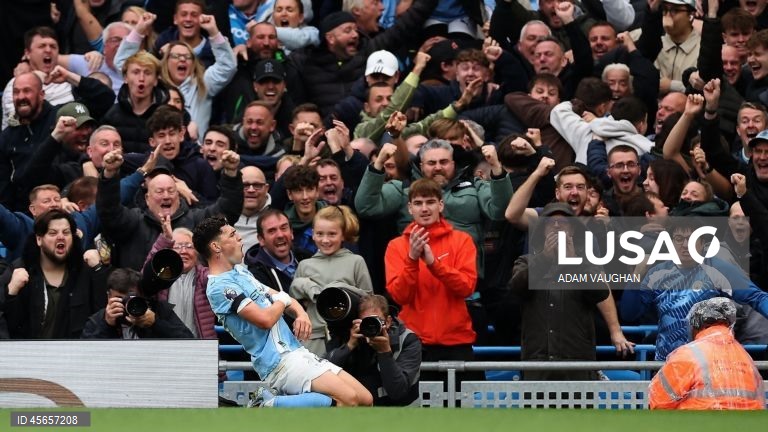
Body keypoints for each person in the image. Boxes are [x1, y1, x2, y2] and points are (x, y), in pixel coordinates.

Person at [193, 215, 373, 407]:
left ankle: (275, 403)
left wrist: (301, 314)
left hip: (296, 352)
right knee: (349, 400)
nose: (240, 238)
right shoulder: (219, 287)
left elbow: (284, 299)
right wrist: (283, 299)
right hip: (279, 363)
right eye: (232, 234)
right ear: (216, 247)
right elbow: (265, 319)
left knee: (365, 400)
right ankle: (269, 404)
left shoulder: (240, 272)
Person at [509, 202, 634, 380]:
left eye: (564, 223)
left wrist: (574, 261)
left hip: (578, 360)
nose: (557, 227)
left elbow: (600, 293)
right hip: (537, 359)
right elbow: (517, 287)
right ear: (542, 231)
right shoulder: (526, 261)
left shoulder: (588, 264)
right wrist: (544, 258)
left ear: (573, 231)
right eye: (551, 223)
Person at [384, 178, 477, 377]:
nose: (424, 208)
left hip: (456, 342)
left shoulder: (462, 240)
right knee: (415, 407)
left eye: (430, 202)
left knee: (464, 407)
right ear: (410, 208)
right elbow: (400, 296)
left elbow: (466, 287)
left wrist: (434, 264)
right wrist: (411, 259)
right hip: (413, 343)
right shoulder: (397, 246)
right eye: (418, 203)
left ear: (441, 205)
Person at [96, 148, 243, 270]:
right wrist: (109, 175)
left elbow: (227, 210)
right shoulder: (134, 221)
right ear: (147, 198)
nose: (166, 196)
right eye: (159, 192)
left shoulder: (197, 220)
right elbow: (109, 212)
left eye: (171, 191)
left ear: (179, 195)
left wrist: (231, 174)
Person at [4, 209, 107, 339]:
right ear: (39, 239)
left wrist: (99, 271)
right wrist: (11, 293)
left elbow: (102, 318)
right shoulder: (19, 270)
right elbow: (7, 324)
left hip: (74, 355)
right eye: (52, 233)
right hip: (27, 355)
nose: (61, 237)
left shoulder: (86, 272)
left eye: (66, 232)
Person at [649, 297, 766, 410]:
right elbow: (759, 403)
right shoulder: (745, 357)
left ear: (696, 325)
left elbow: (659, 401)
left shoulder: (687, 354)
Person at [290, 205, 373, 357]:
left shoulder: (356, 261)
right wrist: (303, 286)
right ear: (312, 234)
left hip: (348, 339)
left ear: (343, 235)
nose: (325, 240)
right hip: (313, 340)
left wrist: (339, 290)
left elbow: (369, 300)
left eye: (332, 234)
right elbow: (293, 306)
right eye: (320, 234)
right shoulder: (304, 265)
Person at [327, 294, 421, 406]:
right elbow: (323, 373)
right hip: (358, 410)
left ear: (388, 321)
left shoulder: (407, 339)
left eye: (377, 321)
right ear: (357, 323)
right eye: (366, 322)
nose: (372, 326)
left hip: (398, 412)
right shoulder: (349, 337)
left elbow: (398, 391)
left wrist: (385, 352)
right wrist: (349, 346)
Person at [81, 268, 194, 339]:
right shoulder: (97, 321)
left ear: (142, 296)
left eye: (131, 299)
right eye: (120, 299)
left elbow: (189, 342)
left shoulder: (158, 311)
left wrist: (156, 324)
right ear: (108, 296)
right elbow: (87, 357)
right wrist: (107, 325)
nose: (126, 305)